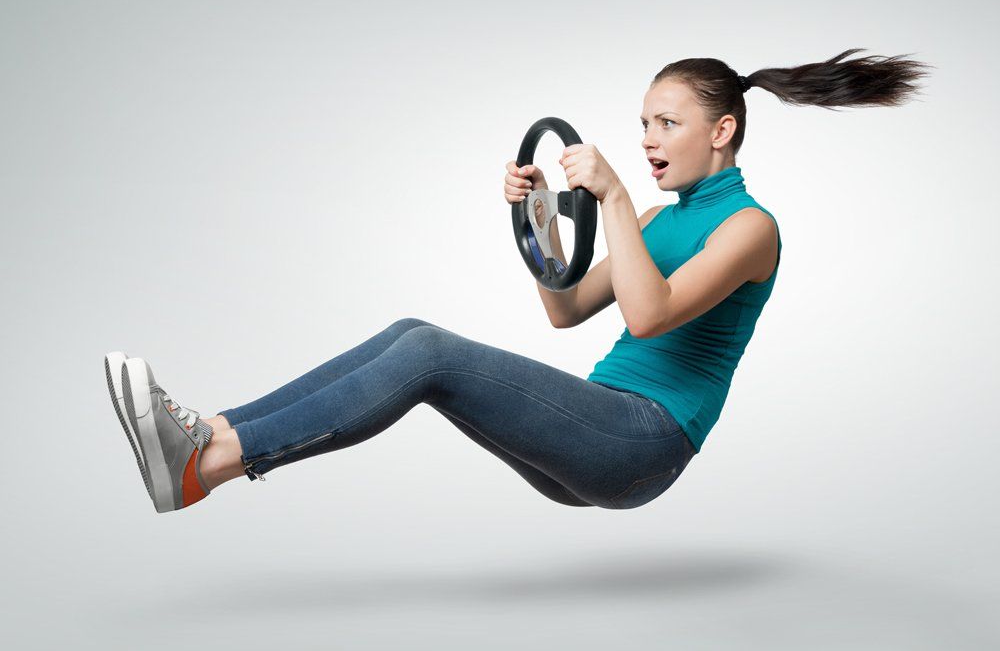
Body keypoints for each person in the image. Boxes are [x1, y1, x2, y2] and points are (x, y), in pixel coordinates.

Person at [105, 48, 931, 514]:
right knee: (408, 335)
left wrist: (607, 195)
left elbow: (649, 318)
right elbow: (567, 310)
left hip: (644, 442)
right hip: (599, 428)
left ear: (722, 132)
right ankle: (204, 432)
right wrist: (539, 223)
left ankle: (206, 466)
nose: (647, 139)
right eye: (643, 122)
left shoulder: (751, 228)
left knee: (429, 350)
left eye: (666, 123)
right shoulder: (653, 221)